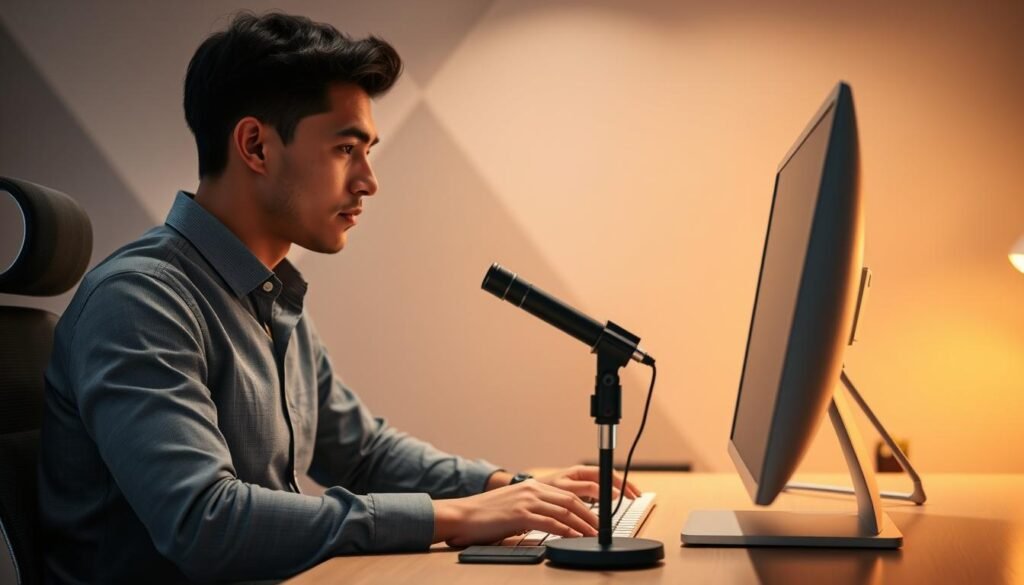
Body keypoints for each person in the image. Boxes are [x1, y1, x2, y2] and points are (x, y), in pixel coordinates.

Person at [38, 11, 640, 583]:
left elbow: (362, 454)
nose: (368, 181)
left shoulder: (269, 295)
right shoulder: (140, 301)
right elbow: (204, 522)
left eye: (367, 152)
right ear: (256, 146)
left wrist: (506, 488)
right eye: (346, 149)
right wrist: (453, 517)